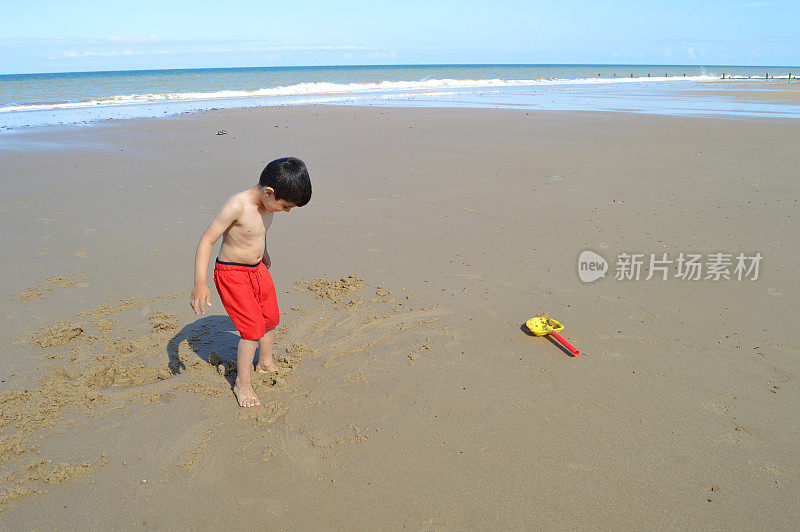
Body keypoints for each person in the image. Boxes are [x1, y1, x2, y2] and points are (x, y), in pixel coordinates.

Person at [190, 157, 311, 407]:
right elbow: (207, 241)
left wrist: (263, 253)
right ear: (269, 192)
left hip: (257, 269)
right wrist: (200, 283)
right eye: (286, 206)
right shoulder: (237, 205)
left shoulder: (268, 205)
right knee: (252, 329)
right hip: (232, 274)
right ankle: (242, 383)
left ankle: (265, 362)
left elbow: (258, 232)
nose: (286, 211)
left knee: (270, 318)